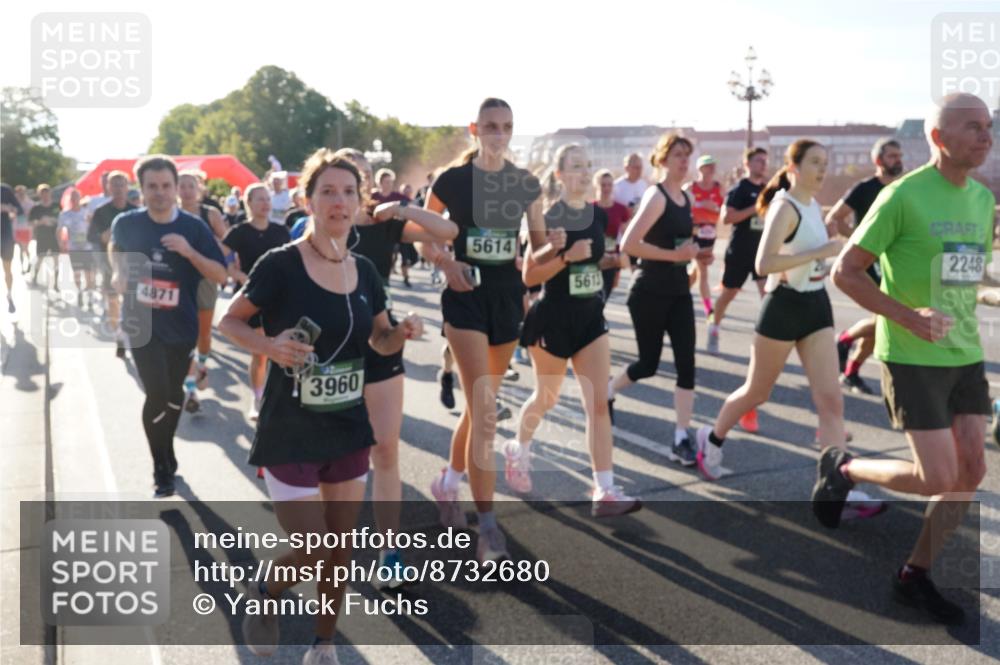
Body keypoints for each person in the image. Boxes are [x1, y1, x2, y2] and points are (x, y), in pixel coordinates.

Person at [219, 150, 421, 664]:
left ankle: (323, 645)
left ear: (360, 202)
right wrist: (267, 346)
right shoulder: (281, 264)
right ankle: (267, 589)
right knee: (313, 548)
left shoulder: (366, 271)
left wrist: (400, 333)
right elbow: (231, 321)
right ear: (307, 201)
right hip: (290, 427)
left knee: (342, 546)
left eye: (349, 192)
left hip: (347, 425)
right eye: (327, 191)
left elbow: (379, 343)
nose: (339, 201)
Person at [825, 93, 994, 625]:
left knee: (971, 470)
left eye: (989, 126)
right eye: (973, 127)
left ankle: (914, 574)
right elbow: (846, 272)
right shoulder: (901, 196)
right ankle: (846, 468)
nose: (986, 136)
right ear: (939, 138)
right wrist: (905, 315)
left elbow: (964, 274)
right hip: (913, 355)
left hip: (965, 353)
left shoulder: (984, 200)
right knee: (937, 477)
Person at [416, 97, 543, 563]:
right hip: (465, 296)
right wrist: (447, 261)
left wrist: (556, 252)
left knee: (477, 407)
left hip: (507, 299)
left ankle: (446, 483)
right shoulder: (452, 180)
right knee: (486, 409)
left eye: (506, 126)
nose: (498, 133)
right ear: (474, 129)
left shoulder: (525, 183)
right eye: (490, 125)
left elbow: (537, 246)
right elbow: (424, 232)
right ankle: (487, 528)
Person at [330, 147, 459, 586]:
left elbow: (448, 228)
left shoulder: (386, 225)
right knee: (337, 457)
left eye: (361, 178)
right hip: (331, 350)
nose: (354, 188)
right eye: (344, 180)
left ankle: (389, 551)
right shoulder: (318, 228)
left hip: (381, 340)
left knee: (385, 451)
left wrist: (404, 205)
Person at [505, 143, 640, 516]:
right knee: (546, 398)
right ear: (561, 174)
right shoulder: (548, 216)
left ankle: (605, 490)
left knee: (597, 404)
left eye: (587, 166)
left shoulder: (597, 216)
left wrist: (612, 260)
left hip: (590, 319)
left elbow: (593, 261)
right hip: (553, 319)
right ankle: (519, 447)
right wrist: (565, 257)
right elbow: (531, 275)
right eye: (576, 166)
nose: (583, 172)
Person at [109, 155, 227, 497]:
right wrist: (117, 271)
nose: (159, 193)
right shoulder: (127, 223)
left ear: (177, 189)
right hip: (141, 324)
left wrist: (190, 252)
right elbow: (115, 248)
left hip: (181, 325)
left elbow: (219, 274)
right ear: (141, 189)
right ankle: (161, 465)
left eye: (166, 186)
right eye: (152, 186)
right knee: (157, 393)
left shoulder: (193, 228)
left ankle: (167, 452)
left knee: (174, 394)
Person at [606, 133, 699, 463]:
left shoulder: (686, 199)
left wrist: (694, 257)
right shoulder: (655, 196)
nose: (684, 161)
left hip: (678, 291)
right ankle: (608, 391)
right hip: (649, 292)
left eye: (687, 155)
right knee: (648, 365)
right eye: (677, 155)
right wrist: (675, 257)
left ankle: (680, 436)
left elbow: (677, 244)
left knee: (687, 366)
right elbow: (629, 244)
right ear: (661, 160)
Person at [826, 138, 905, 395]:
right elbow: (834, 218)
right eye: (892, 156)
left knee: (883, 319)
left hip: (896, 262)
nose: (897, 160)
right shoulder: (864, 189)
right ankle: (845, 340)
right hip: (870, 264)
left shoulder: (903, 189)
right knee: (886, 316)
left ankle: (850, 370)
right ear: (878, 160)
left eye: (899, 155)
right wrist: (860, 240)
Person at [708, 146, 770, 433]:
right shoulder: (738, 189)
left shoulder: (770, 189)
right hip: (739, 252)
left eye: (764, 160)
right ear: (747, 164)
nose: (762, 164)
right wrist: (753, 209)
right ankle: (714, 322)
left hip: (762, 254)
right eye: (758, 160)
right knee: (728, 294)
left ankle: (768, 339)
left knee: (768, 295)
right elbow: (727, 218)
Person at [221, 183, 291, 420]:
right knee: (260, 353)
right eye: (259, 199)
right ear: (248, 203)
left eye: (267, 199)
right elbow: (224, 256)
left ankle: (284, 399)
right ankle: (258, 398)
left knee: (286, 350)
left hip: (281, 298)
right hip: (252, 298)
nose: (265, 203)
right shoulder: (239, 232)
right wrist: (236, 273)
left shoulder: (281, 232)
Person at [177, 170, 228, 413]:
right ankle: (190, 389)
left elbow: (228, 244)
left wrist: (208, 246)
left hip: (205, 279)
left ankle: (203, 365)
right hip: (177, 281)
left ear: (199, 189)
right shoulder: (169, 215)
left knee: (204, 334)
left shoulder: (210, 214)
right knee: (184, 335)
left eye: (190, 185)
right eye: (182, 185)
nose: (186, 190)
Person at [90, 172, 137, 357]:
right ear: (108, 188)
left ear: (127, 187)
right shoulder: (101, 212)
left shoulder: (135, 211)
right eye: (114, 185)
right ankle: (118, 335)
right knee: (113, 301)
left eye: (121, 184)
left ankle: (128, 332)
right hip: (110, 262)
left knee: (131, 301)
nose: (118, 188)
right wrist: (108, 233)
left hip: (133, 261)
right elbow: (93, 236)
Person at [686, 154, 723, 318]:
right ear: (700, 168)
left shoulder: (719, 187)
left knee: (697, 270)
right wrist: (701, 204)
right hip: (694, 231)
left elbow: (725, 210)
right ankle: (708, 309)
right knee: (703, 270)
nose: (711, 169)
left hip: (711, 232)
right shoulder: (690, 187)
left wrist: (715, 209)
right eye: (708, 166)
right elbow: (681, 207)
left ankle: (679, 294)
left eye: (713, 166)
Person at [370, 169, 416, 288]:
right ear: (379, 183)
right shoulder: (372, 196)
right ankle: (381, 280)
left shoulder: (397, 196)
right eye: (386, 182)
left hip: (395, 231)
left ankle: (404, 278)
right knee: (383, 258)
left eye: (391, 182)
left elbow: (411, 204)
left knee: (403, 256)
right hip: (376, 232)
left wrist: (401, 209)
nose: (389, 185)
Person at [593, 169, 631, 301]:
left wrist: (619, 264)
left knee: (605, 297)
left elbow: (625, 236)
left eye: (609, 185)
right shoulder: (589, 208)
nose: (606, 188)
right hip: (594, 259)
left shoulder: (621, 209)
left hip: (612, 259)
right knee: (593, 299)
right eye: (603, 185)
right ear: (596, 186)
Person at [57, 188, 95, 309]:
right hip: (74, 248)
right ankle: (79, 292)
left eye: (76, 197)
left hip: (88, 247)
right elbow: (59, 229)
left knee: (89, 273)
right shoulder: (64, 214)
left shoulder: (87, 212)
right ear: (70, 200)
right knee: (77, 273)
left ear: (80, 198)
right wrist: (60, 243)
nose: (74, 200)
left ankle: (89, 296)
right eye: (72, 198)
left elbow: (94, 227)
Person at [29, 185, 61, 291]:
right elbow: (30, 222)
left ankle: (56, 283)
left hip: (54, 236)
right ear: (39, 195)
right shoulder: (36, 208)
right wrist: (40, 222)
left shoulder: (56, 206)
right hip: (42, 237)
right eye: (42, 194)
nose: (45, 196)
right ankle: (35, 277)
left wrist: (52, 220)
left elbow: (61, 219)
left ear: (50, 193)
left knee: (56, 259)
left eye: (47, 193)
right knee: (40, 258)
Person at [1, 184, 23, 312]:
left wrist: (8, 208)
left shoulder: (5, 190)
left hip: (5, 236)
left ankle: (9, 294)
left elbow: (19, 211)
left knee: (7, 270)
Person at [13, 185, 33, 273]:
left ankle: (29, 262)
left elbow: (31, 214)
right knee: (20, 249)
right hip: (17, 229)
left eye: (22, 192)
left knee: (25, 248)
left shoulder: (29, 203)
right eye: (18, 193)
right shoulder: (14, 203)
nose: (20, 194)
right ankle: (22, 267)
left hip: (26, 229)